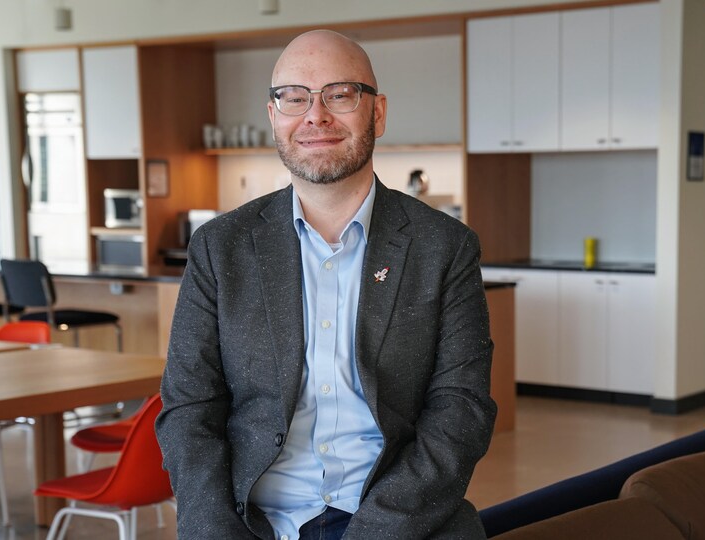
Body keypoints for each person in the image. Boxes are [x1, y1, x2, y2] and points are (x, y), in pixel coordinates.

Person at [155, 29, 497, 540]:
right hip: (254, 522)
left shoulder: (443, 247)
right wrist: (212, 531)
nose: (316, 116)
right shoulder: (219, 247)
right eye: (294, 98)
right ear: (274, 116)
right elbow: (189, 408)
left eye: (340, 94)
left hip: (399, 521)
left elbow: (461, 411)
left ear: (377, 113)